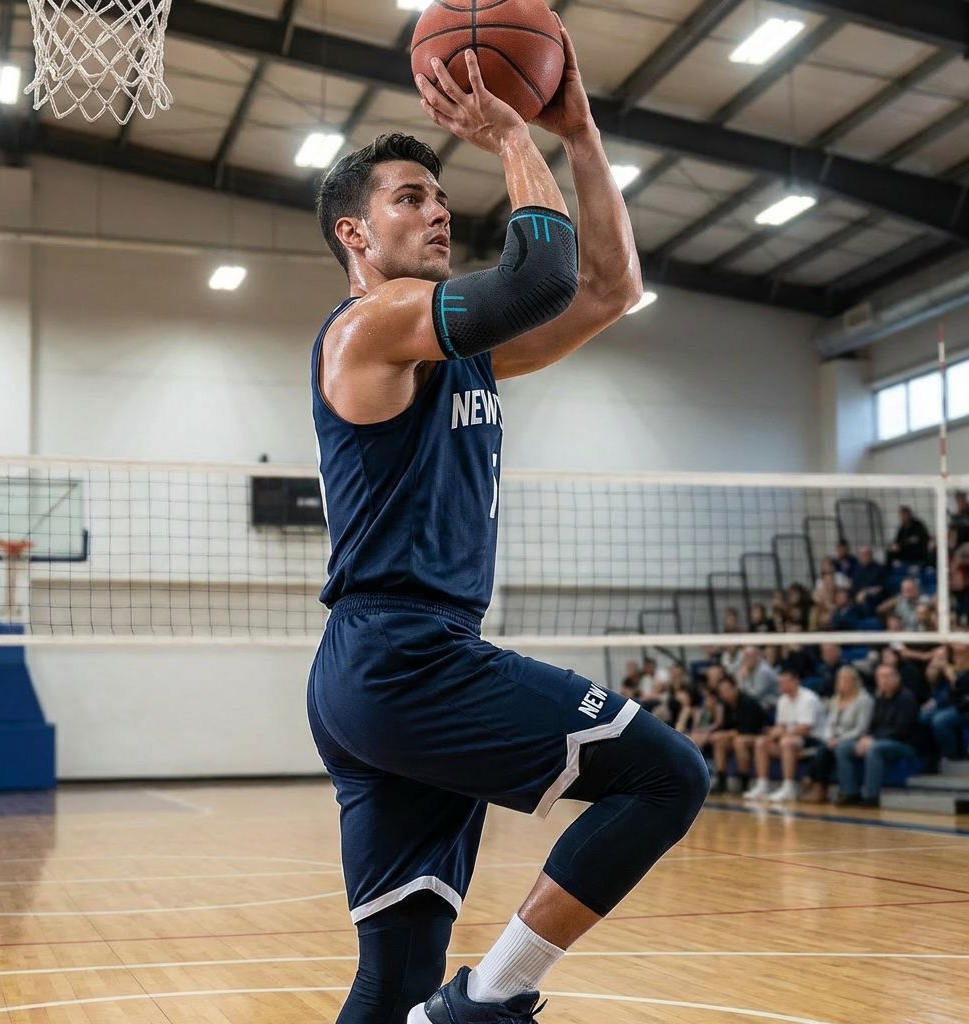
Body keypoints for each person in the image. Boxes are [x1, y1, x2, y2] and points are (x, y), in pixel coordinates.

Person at [307, 29, 708, 1024]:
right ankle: (486, 998)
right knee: (667, 776)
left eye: (441, 196)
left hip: (390, 670)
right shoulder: (372, 326)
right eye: (410, 197)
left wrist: (578, 131)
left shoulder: (456, 354)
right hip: (403, 658)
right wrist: (508, 134)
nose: (439, 209)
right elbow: (537, 279)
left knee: (394, 974)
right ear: (355, 234)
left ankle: (449, 1002)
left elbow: (607, 290)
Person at [835, 663, 919, 807]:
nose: (884, 680)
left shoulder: (907, 699)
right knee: (843, 748)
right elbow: (871, 725)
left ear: (897, 678)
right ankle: (850, 792)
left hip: (904, 744)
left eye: (887, 676)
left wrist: (872, 739)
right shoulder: (878, 698)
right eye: (880, 677)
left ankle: (871, 796)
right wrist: (864, 738)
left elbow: (901, 730)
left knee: (874, 749)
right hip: (879, 740)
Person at [744, 669, 823, 802]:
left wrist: (782, 733)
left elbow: (805, 728)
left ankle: (789, 787)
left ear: (795, 681)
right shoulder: (782, 700)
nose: (781, 685)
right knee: (761, 742)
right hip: (790, 738)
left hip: (813, 739)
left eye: (784, 682)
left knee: (787, 742)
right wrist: (773, 733)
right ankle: (762, 785)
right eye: (780, 683)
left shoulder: (809, 698)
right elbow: (781, 725)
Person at [804, 667, 873, 803]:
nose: (843, 683)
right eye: (840, 680)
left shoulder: (864, 700)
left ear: (854, 681)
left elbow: (861, 728)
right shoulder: (836, 699)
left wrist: (838, 740)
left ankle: (818, 785)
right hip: (835, 738)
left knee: (827, 749)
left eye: (846, 680)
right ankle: (819, 786)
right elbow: (829, 723)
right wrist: (830, 738)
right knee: (822, 746)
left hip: (855, 738)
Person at [709, 675, 765, 795]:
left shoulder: (748, 702)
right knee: (720, 743)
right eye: (721, 692)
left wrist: (724, 734)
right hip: (740, 735)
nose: (723, 694)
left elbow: (745, 729)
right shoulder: (726, 705)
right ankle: (721, 781)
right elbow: (725, 726)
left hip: (758, 734)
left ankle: (744, 782)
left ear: (734, 688)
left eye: (726, 690)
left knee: (739, 741)